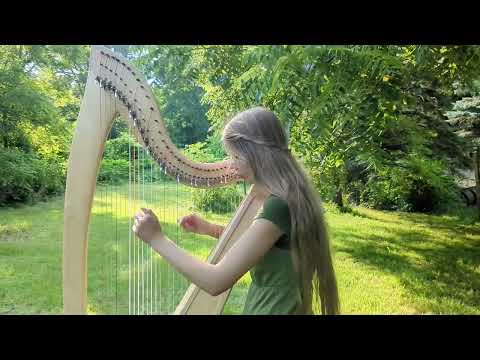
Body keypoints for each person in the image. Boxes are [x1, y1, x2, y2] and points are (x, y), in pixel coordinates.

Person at [132, 106, 340, 315]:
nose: (231, 166)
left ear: (257, 155)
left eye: (235, 157)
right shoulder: (293, 194)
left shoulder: (278, 206)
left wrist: (155, 238)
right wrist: (210, 229)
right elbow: (261, 245)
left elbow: (215, 281)